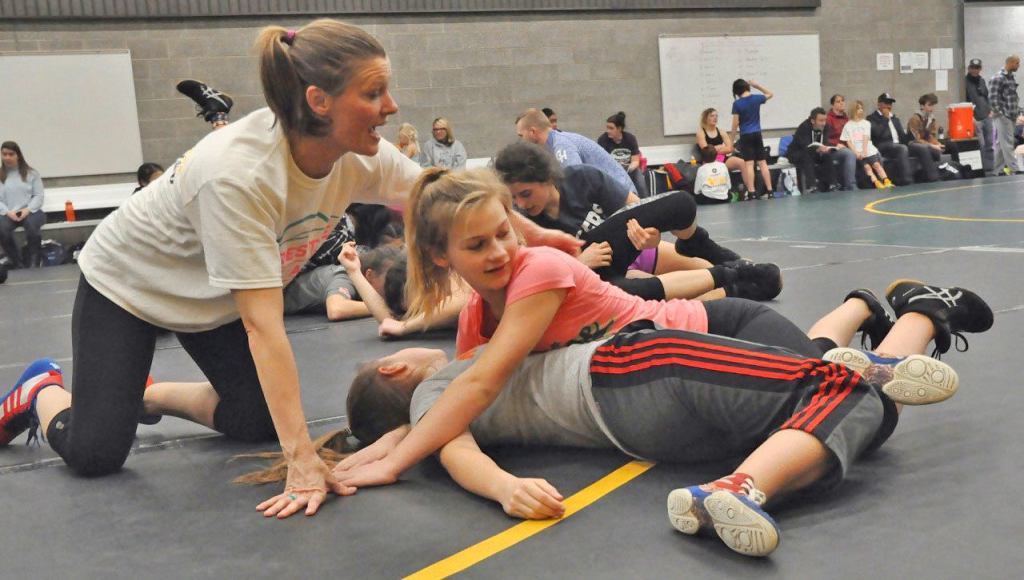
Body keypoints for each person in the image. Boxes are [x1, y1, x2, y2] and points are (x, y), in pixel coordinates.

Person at [323, 278, 992, 558]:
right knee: (845, 394)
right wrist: (504, 488)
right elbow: (454, 453)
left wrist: (360, 457)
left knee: (866, 417)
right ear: (395, 370)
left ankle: (737, 487)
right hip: (638, 367)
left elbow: (430, 445)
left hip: (642, 427)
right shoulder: (441, 387)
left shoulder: (433, 408)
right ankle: (897, 334)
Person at [323, 167, 847, 500]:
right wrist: (390, 438)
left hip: (721, 328)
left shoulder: (538, 269)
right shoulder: (472, 322)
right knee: (817, 397)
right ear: (442, 256)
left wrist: (396, 461)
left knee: (829, 389)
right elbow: (459, 405)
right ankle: (862, 319)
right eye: (477, 246)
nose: (499, 253)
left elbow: (481, 384)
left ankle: (859, 312)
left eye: (503, 234)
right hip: (671, 375)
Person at [493, 141, 781, 302]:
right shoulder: (527, 225)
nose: (522, 204)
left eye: (526, 194)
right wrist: (580, 263)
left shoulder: (582, 178)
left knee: (681, 205)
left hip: (642, 250)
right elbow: (544, 277)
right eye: (515, 198)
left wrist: (651, 237)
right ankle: (731, 286)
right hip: (605, 276)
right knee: (640, 297)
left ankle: (696, 242)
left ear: (546, 178)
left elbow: (639, 209)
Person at [516, 108, 635, 195]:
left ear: (532, 132)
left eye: (521, 136)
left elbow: (576, 185)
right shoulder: (556, 144)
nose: (521, 140)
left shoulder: (561, 145)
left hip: (622, 199)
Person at [283, 242, 401, 321]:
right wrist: (387, 307)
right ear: (369, 275)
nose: (393, 286)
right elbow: (336, 310)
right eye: (389, 280)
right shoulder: (344, 276)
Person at [867, 93, 940, 184]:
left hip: (899, 145)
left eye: (890, 104)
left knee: (922, 148)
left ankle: (932, 177)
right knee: (902, 148)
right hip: (883, 146)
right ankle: (907, 180)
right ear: (879, 105)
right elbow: (877, 134)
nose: (889, 106)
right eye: (886, 103)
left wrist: (912, 142)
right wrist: (885, 119)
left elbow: (902, 136)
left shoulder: (895, 119)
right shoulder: (871, 118)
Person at [0, 141, 46, 269]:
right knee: (2, 229)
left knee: (32, 226)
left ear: (18, 155)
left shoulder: (32, 174)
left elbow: (38, 196)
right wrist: (7, 212)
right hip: (8, 213)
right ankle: (16, 262)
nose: (7, 157)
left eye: (11, 154)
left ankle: (34, 261)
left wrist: (28, 209)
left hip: (31, 211)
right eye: (4, 154)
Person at [730, 79, 774, 198]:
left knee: (749, 164)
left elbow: (735, 123)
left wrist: (731, 140)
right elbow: (770, 94)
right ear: (747, 87)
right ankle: (770, 190)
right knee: (762, 163)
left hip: (745, 135)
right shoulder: (756, 98)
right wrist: (757, 85)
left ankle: (752, 192)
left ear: (736, 91)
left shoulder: (737, 104)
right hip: (757, 133)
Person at [787, 107, 842, 194]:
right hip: (797, 153)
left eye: (825, 120)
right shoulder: (804, 127)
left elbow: (825, 142)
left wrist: (826, 148)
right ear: (813, 121)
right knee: (807, 157)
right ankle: (811, 186)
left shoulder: (826, 126)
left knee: (827, 156)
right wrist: (817, 149)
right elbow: (804, 145)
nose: (823, 123)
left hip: (814, 152)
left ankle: (832, 184)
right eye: (821, 121)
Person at [843, 100, 894, 189]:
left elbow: (866, 137)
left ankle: (886, 180)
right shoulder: (847, 126)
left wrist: (864, 150)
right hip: (858, 152)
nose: (861, 110)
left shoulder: (866, 123)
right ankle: (876, 182)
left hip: (868, 150)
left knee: (876, 165)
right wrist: (856, 153)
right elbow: (848, 141)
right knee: (867, 168)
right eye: (858, 108)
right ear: (853, 110)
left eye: (861, 108)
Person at [597, 111, 649, 198]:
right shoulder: (603, 140)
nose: (608, 131)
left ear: (619, 128)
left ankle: (646, 201)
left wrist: (627, 169)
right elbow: (601, 162)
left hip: (629, 170)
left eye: (611, 128)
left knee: (640, 181)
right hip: (611, 171)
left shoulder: (630, 139)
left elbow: (635, 161)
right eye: (607, 128)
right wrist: (616, 170)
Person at [988, 55, 1021, 176]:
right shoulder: (998, 78)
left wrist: (1016, 112)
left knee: (1001, 144)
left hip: (1011, 115)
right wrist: (1000, 113)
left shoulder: (1010, 77)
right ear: (1010, 62)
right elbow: (992, 98)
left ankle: (997, 170)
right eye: (1017, 63)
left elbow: (1012, 97)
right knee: (1008, 142)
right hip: (1003, 116)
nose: (1018, 65)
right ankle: (1015, 168)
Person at [823, 95, 860, 191]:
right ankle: (850, 185)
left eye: (842, 101)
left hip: (847, 146)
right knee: (850, 154)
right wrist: (836, 144)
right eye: (838, 101)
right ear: (833, 105)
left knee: (868, 152)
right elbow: (824, 138)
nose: (841, 103)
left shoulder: (846, 118)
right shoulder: (828, 119)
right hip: (834, 150)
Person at [965, 59, 995, 173]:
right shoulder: (964, 82)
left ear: (980, 69)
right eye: (972, 68)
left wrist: (990, 110)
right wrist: (970, 117)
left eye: (977, 68)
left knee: (990, 143)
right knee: (980, 144)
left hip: (986, 116)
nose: (975, 70)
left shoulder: (982, 81)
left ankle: (991, 167)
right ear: (969, 68)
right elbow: (964, 101)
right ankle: (981, 168)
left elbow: (986, 96)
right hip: (975, 118)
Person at [906, 93, 949, 170]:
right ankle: (933, 174)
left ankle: (958, 169)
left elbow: (931, 136)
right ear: (922, 106)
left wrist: (937, 143)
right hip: (913, 144)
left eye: (933, 105)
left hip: (925, 143)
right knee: (930, 149)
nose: (932, 108)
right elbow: (916, 139)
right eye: (929, 105)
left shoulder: (931, 119)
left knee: (950, 145)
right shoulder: (914, 119)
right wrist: (932, 145)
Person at [695, 108, 745, 174]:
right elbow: (707, 152)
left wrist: (714, 148)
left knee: (742, 162)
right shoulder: (701, 133)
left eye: (716, 116)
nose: (715, 118)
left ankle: (749, 181)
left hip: (722, 160)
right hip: (709, 162)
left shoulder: (721, 132)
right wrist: (721, 147)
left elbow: (730, 148)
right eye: (712, 116)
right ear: (706, 118)